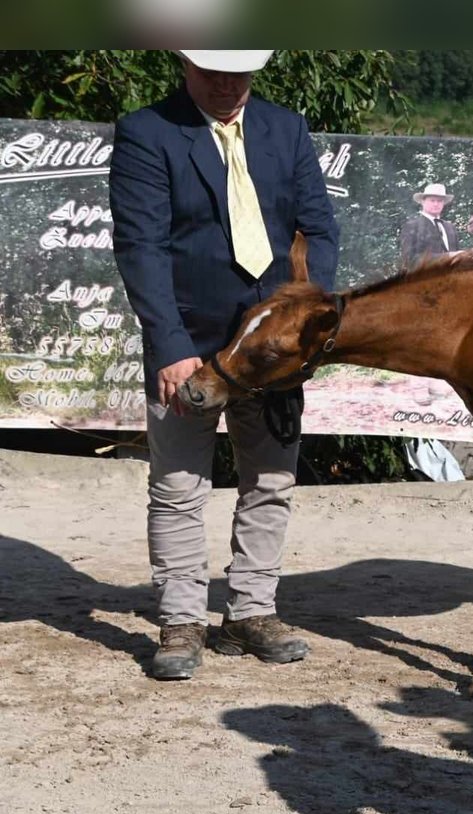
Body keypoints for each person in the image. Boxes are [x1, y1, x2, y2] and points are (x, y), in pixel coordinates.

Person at [109, 49, 340, 680]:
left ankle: (250, 613)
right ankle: (182, 622)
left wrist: (297, 327)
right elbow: (142, 246)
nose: (226, 85)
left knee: (271, 482)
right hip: (190, 344)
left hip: (270, 355)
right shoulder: (147, 132)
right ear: (183, 64)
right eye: (212, 72)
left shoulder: (285, 127)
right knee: (180, 485)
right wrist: (170, 345)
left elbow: (317, 228)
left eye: (238, 73)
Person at [399, 182, 459, 268]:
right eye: (432, 200)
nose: (436, 204)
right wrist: (446, 257)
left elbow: (458, 257)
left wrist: (472, 254)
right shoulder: (412, 226)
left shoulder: (450, 228)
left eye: (439, 201)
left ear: (443, 204)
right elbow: (410, 260)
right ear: (423, 201)